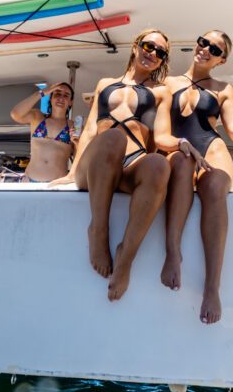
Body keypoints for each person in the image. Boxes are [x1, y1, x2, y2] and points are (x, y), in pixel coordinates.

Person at [55, 29, 196, 302]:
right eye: (148, 46)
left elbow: (162, 136)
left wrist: (181, 143)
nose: (152, 53)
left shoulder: (161, 92)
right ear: (135, 47)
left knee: (157, 164)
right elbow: (89, 130)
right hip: (96, 166)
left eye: (160, 52)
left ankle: (126, 257)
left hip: (132, 164)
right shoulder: (105, 83)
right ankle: (99, 229)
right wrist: (71, 172)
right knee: (111, 137)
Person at [162, 30, 233, 324]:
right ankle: (173, 253)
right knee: (180, 165)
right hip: (180, 149)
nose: (206, 49)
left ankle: (212, 288)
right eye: (203, 42)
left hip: (211, 145)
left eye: (216, 50)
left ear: (222, 60)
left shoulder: (223, 88)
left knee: (215, 183)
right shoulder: (167, 83)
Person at [10, 82, 75, 182]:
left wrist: (77, 141)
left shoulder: (73, 127)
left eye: (66, 95)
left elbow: (79, 156)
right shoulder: (37, 117)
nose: (61, 98)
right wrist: (41, 93)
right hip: (30, 181)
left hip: (57, 185)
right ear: (51, 98)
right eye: (57, 93)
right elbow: (15, 114)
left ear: (71, 102)